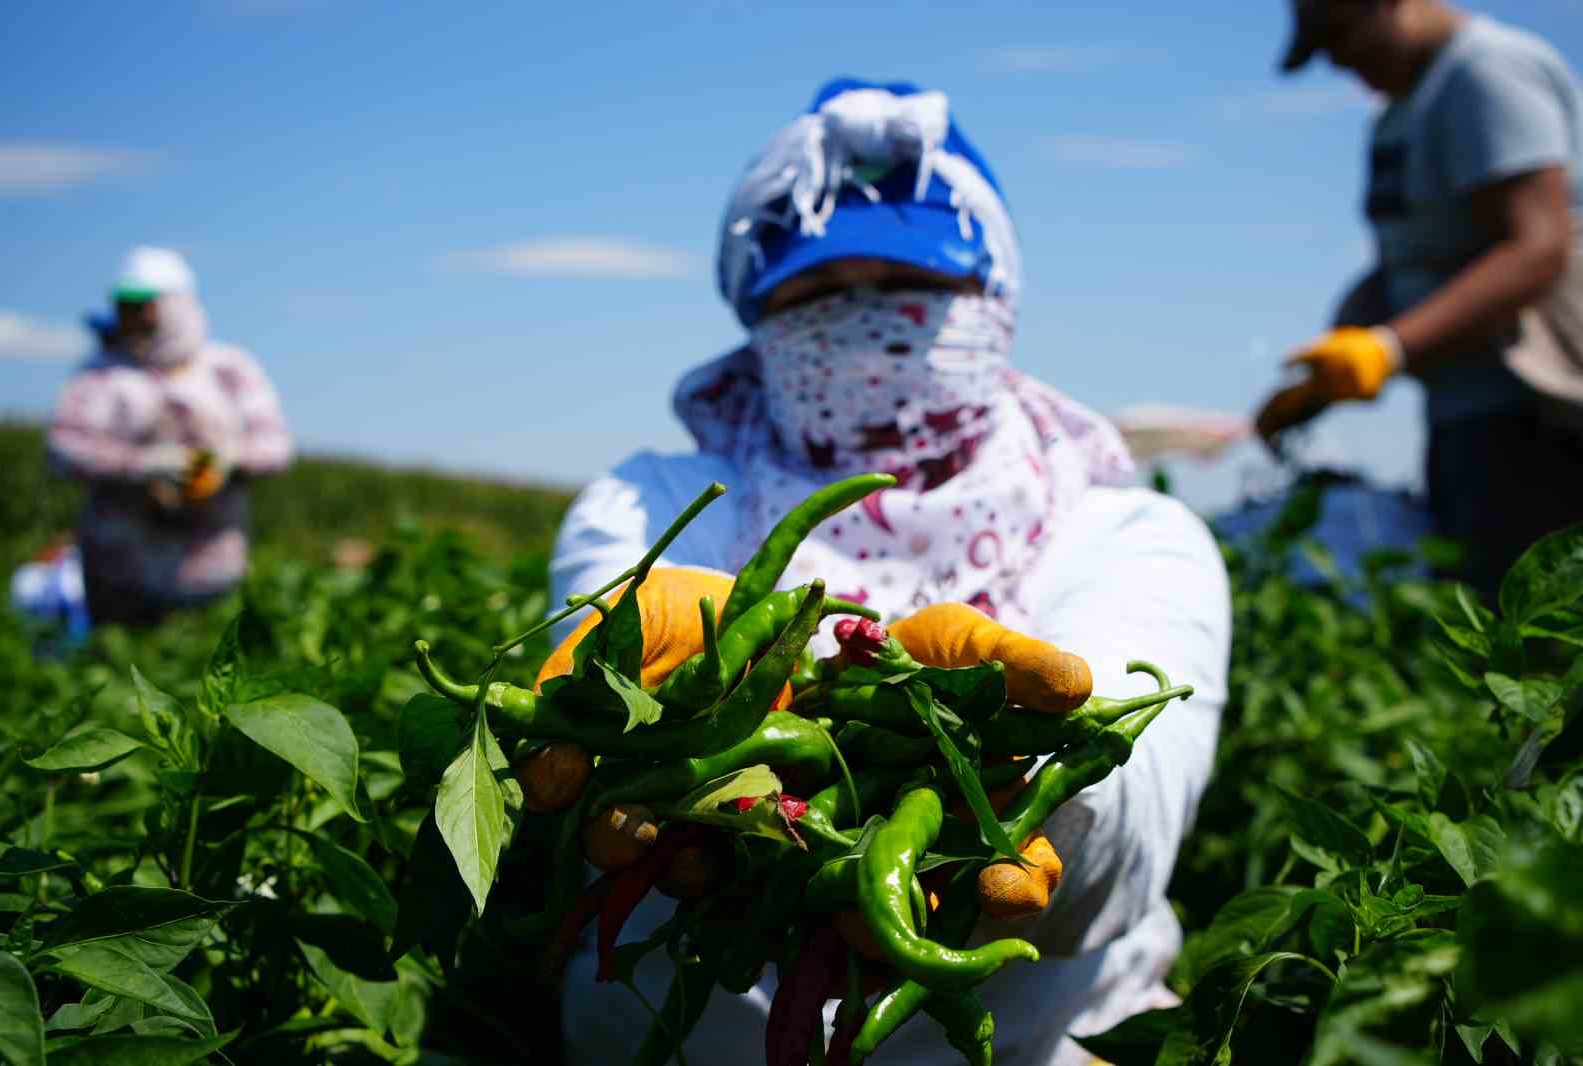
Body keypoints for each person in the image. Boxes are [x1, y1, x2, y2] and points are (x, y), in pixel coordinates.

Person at [547, 79, 1231, 1065]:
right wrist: (632, 680)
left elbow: (1135, 802)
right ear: (757, 317)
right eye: (818, 296)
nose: (865, 322)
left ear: (991, 302)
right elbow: (610, 690)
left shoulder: (1127, 533)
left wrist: (1037, 798)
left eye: (914, 291)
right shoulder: (656, 501)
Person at [1256, 0, 1583, 600]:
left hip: (1536, 416)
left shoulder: (1486, 74)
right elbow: (1406, 268)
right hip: (1463, 417)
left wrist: (1388, 349)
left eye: (1338, 37)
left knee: (1539, 647)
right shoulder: (1399, 113)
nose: (1339, 62)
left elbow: (1537, 250)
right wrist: (1323, 378)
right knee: (1482, 627)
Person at [47, 246, 294, 625]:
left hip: (210, 569)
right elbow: (64, 446)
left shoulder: (227, 369)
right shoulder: (100, 375)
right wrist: (142, 464)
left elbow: (276, 445)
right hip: (119, 572)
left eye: (143, 303)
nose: (131, 315)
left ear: (176, 304)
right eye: (124, 304)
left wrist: (227, 460)